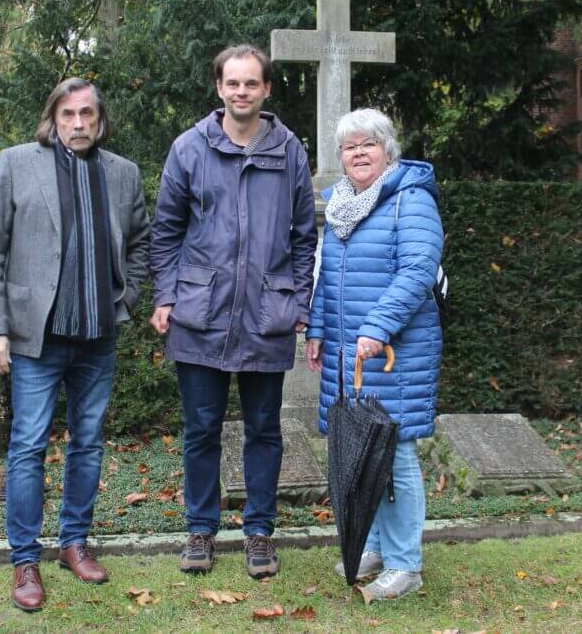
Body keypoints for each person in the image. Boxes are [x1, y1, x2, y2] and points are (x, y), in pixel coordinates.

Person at [0, 77, 150, 611]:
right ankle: (24, 560)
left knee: (89, 442)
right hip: (37, 336)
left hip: (99, 336)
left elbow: (142, 242)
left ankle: (74, 542)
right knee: (28, 445)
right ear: (52, 117)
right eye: (69, 114)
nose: (79, 124)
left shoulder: (122, 174)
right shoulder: (16, 162)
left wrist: (126, 301)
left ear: (101, 120)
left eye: (88, 115)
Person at [149, 44, 317, 578]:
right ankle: (201, 529)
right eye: (232, 83)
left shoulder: (289, 151)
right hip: (201, 313)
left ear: (267, 89)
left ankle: (259, 533)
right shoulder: (189, 148)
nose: (241, 91)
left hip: (267, 313)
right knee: (201, 428)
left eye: (251, 83)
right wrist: (166, 296)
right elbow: (166, 232)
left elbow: (305, 238)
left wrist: (301, 304)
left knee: (265, 429)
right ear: (219, 87)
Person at [305, 108, 444, 601]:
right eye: (349, 146)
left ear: (388, 148)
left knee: (397, 455)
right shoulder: (343, 204)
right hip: (350, 353)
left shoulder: (411, 201)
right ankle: (383, 547)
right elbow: (329, 278)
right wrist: (317, 330)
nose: (358, 153)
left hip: (394, 354)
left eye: (368, 143)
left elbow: (418, 271)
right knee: (370, 456)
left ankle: (407, 566)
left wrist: (378, 327)